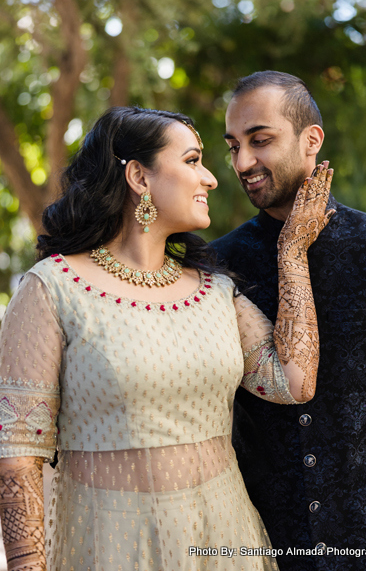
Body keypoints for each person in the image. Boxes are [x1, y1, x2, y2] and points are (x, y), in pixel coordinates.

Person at [0, 106, 334, 571]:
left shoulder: (214, 291)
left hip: (224, 542)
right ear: (139, 176)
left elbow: (293, 383)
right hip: (109, 546)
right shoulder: (52, 289)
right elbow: (18, 457)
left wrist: (293, 254)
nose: (213, 179)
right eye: (193, 160)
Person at [211, 71, 366, 571]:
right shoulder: (215, 268)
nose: (243, 162)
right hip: (261, 547)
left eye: (260, 140)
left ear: (310, 139)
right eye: (233, 146)